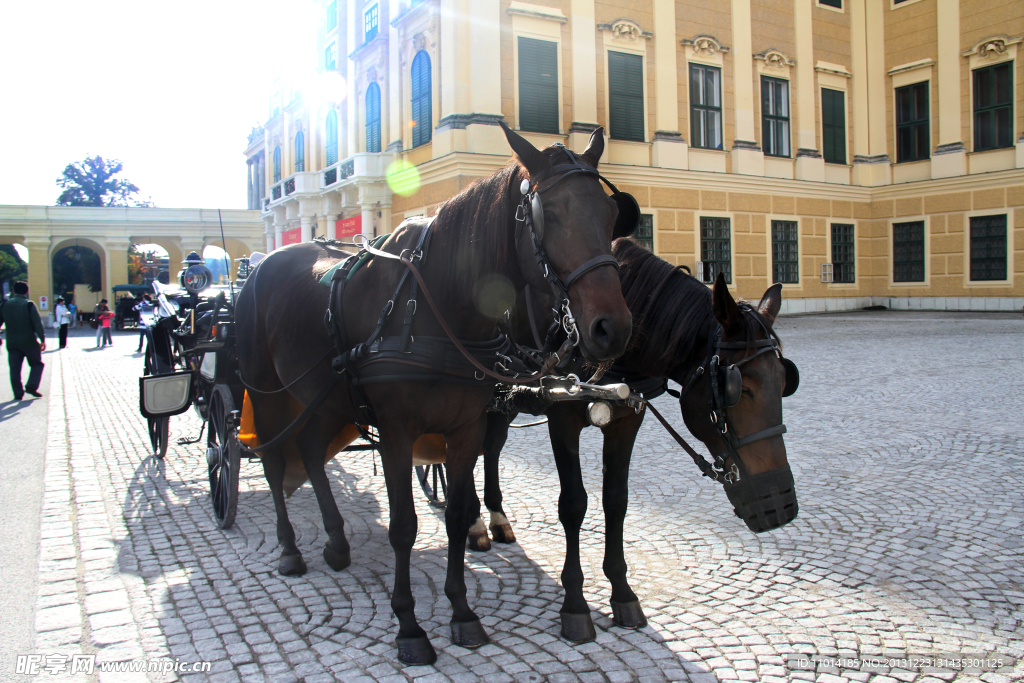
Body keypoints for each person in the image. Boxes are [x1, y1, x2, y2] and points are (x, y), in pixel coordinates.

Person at [0, 281, 47, 400]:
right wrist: (42, 339)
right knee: (37, 364)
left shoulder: (4, 304)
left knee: (15, 368)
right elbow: (37, 324)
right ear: (27, 291)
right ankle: (31, 385)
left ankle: (18, 393)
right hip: (29, 342)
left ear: (14, 291)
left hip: (11, 342)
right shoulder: (29, 304)